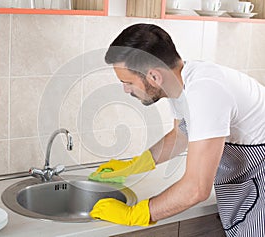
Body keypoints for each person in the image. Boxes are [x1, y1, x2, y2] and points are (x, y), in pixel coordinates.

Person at [89, 23, 265, 237]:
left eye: (128, 82)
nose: (126, 90)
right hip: (248, 184)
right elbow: (180, 135)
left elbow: (197, 188)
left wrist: (136, 213)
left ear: (154, 76)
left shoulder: (205, 92)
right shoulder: (180, 83)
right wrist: (136, 165)